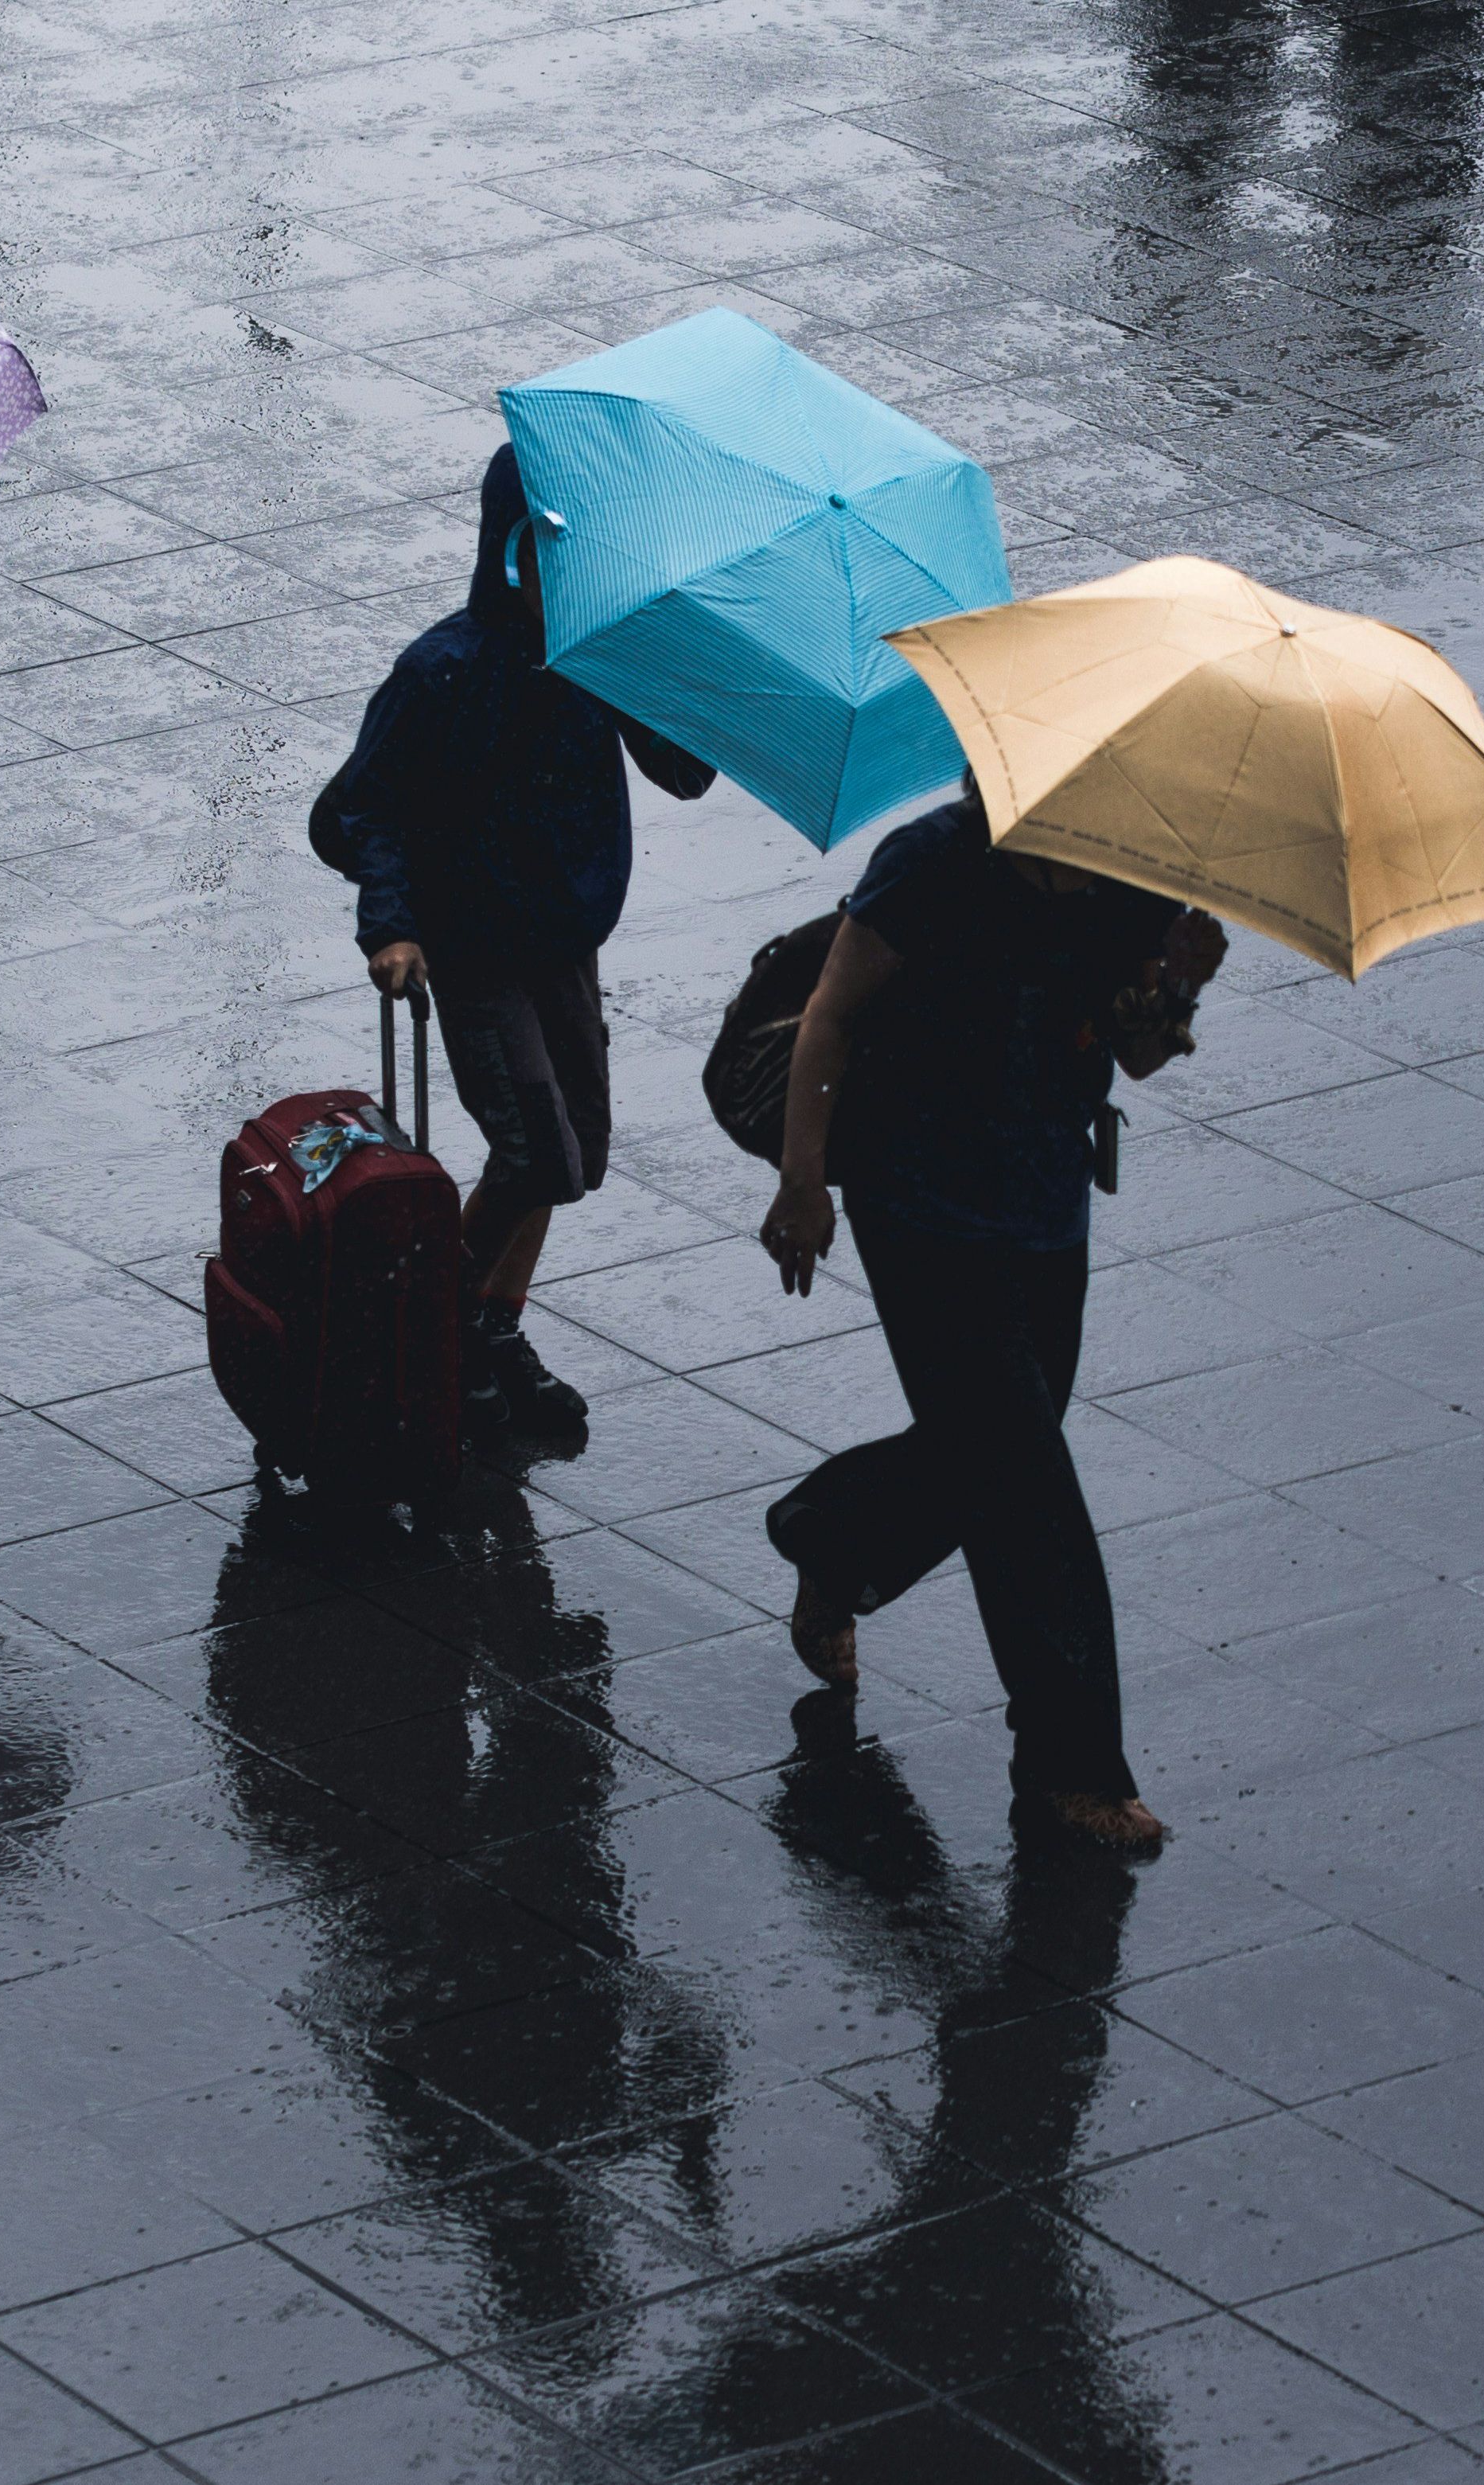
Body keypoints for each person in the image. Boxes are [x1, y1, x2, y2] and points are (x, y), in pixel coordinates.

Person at [754, 784, 1221, 1857]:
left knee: (998, 1446)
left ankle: (832, 1534)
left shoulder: (1122, 873)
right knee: (1026, 1488)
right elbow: (831, 1011)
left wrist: (1181, 985)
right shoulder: (928, 862)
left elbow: (1134, 1048)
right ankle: (1071, 1764)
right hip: (919, 1207)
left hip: (1043, 1205)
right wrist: (803, 1179)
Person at [325, 445, 717, 1433]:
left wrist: (685, 670)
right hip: (477, 951)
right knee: (535, 1148)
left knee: (574, 1151)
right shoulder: (443, 670)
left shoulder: (600, 660)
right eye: (546, 556)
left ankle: (489, 1323)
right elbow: (358, 809)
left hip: (565, 943)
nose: (566, 579)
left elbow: (684, 772)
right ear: (506, 554)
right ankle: (440, 1329)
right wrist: (394, 924)